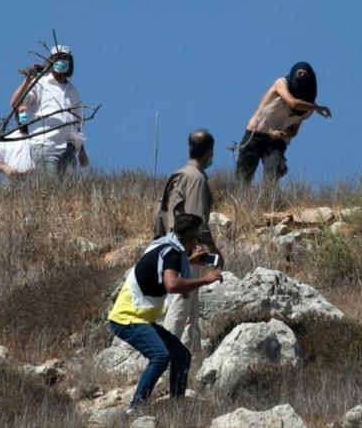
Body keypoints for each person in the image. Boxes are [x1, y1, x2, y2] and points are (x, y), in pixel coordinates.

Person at [108, 213, 223, 409]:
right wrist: (206, 279)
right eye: (196, 239)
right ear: (189, 239)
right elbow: (172, 284)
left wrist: (188, 260)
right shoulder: (171, 254)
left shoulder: (163, 244)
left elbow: (161, 263)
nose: (197, 243)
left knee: (182, 356)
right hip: (127, 318)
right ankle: (135, 408)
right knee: (160, 355)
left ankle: (176, 407)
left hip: (140, 317)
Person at [155, 129, 224, 355]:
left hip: (170, 246)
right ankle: (164, 358)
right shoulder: (196, 178)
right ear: (209, 152)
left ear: (189, 149)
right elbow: (197, 222)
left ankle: (190, 364)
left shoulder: (177, 175)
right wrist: (214, 251)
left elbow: (160, 213)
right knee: (180, 308)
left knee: (190, 312)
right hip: (187, 251)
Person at [235, 62, 331, 184]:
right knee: (243, 177)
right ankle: (239, 202)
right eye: (298, 73)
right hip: (255, 133)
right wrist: (316, 107)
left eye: (305, 74)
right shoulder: (281, 83)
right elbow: (292, 103)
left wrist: (281, 134)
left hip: (276, 142)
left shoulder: (307, 110)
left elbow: (293, 131)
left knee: (273, 173)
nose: (301, 76)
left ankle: (268, 201)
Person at [9, 45, 89, 174]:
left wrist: (81, 150)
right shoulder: (40, 83)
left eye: (65, 59)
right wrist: (27, 80)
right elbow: (15, 103)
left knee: (69, 190)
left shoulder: (72, 90)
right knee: (51, 188)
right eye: (58, 58)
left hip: (68, 148)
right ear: (51, 61)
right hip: (45, 144)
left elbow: (77, 124)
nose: (61, 62)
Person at [0, 108, 34, 179]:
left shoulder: (41, 138)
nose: (25, 116)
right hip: (12, 184)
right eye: (22, 113)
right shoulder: (7, 139)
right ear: (17, 117)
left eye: (26, 113)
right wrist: (5, 168)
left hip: (36, 182)